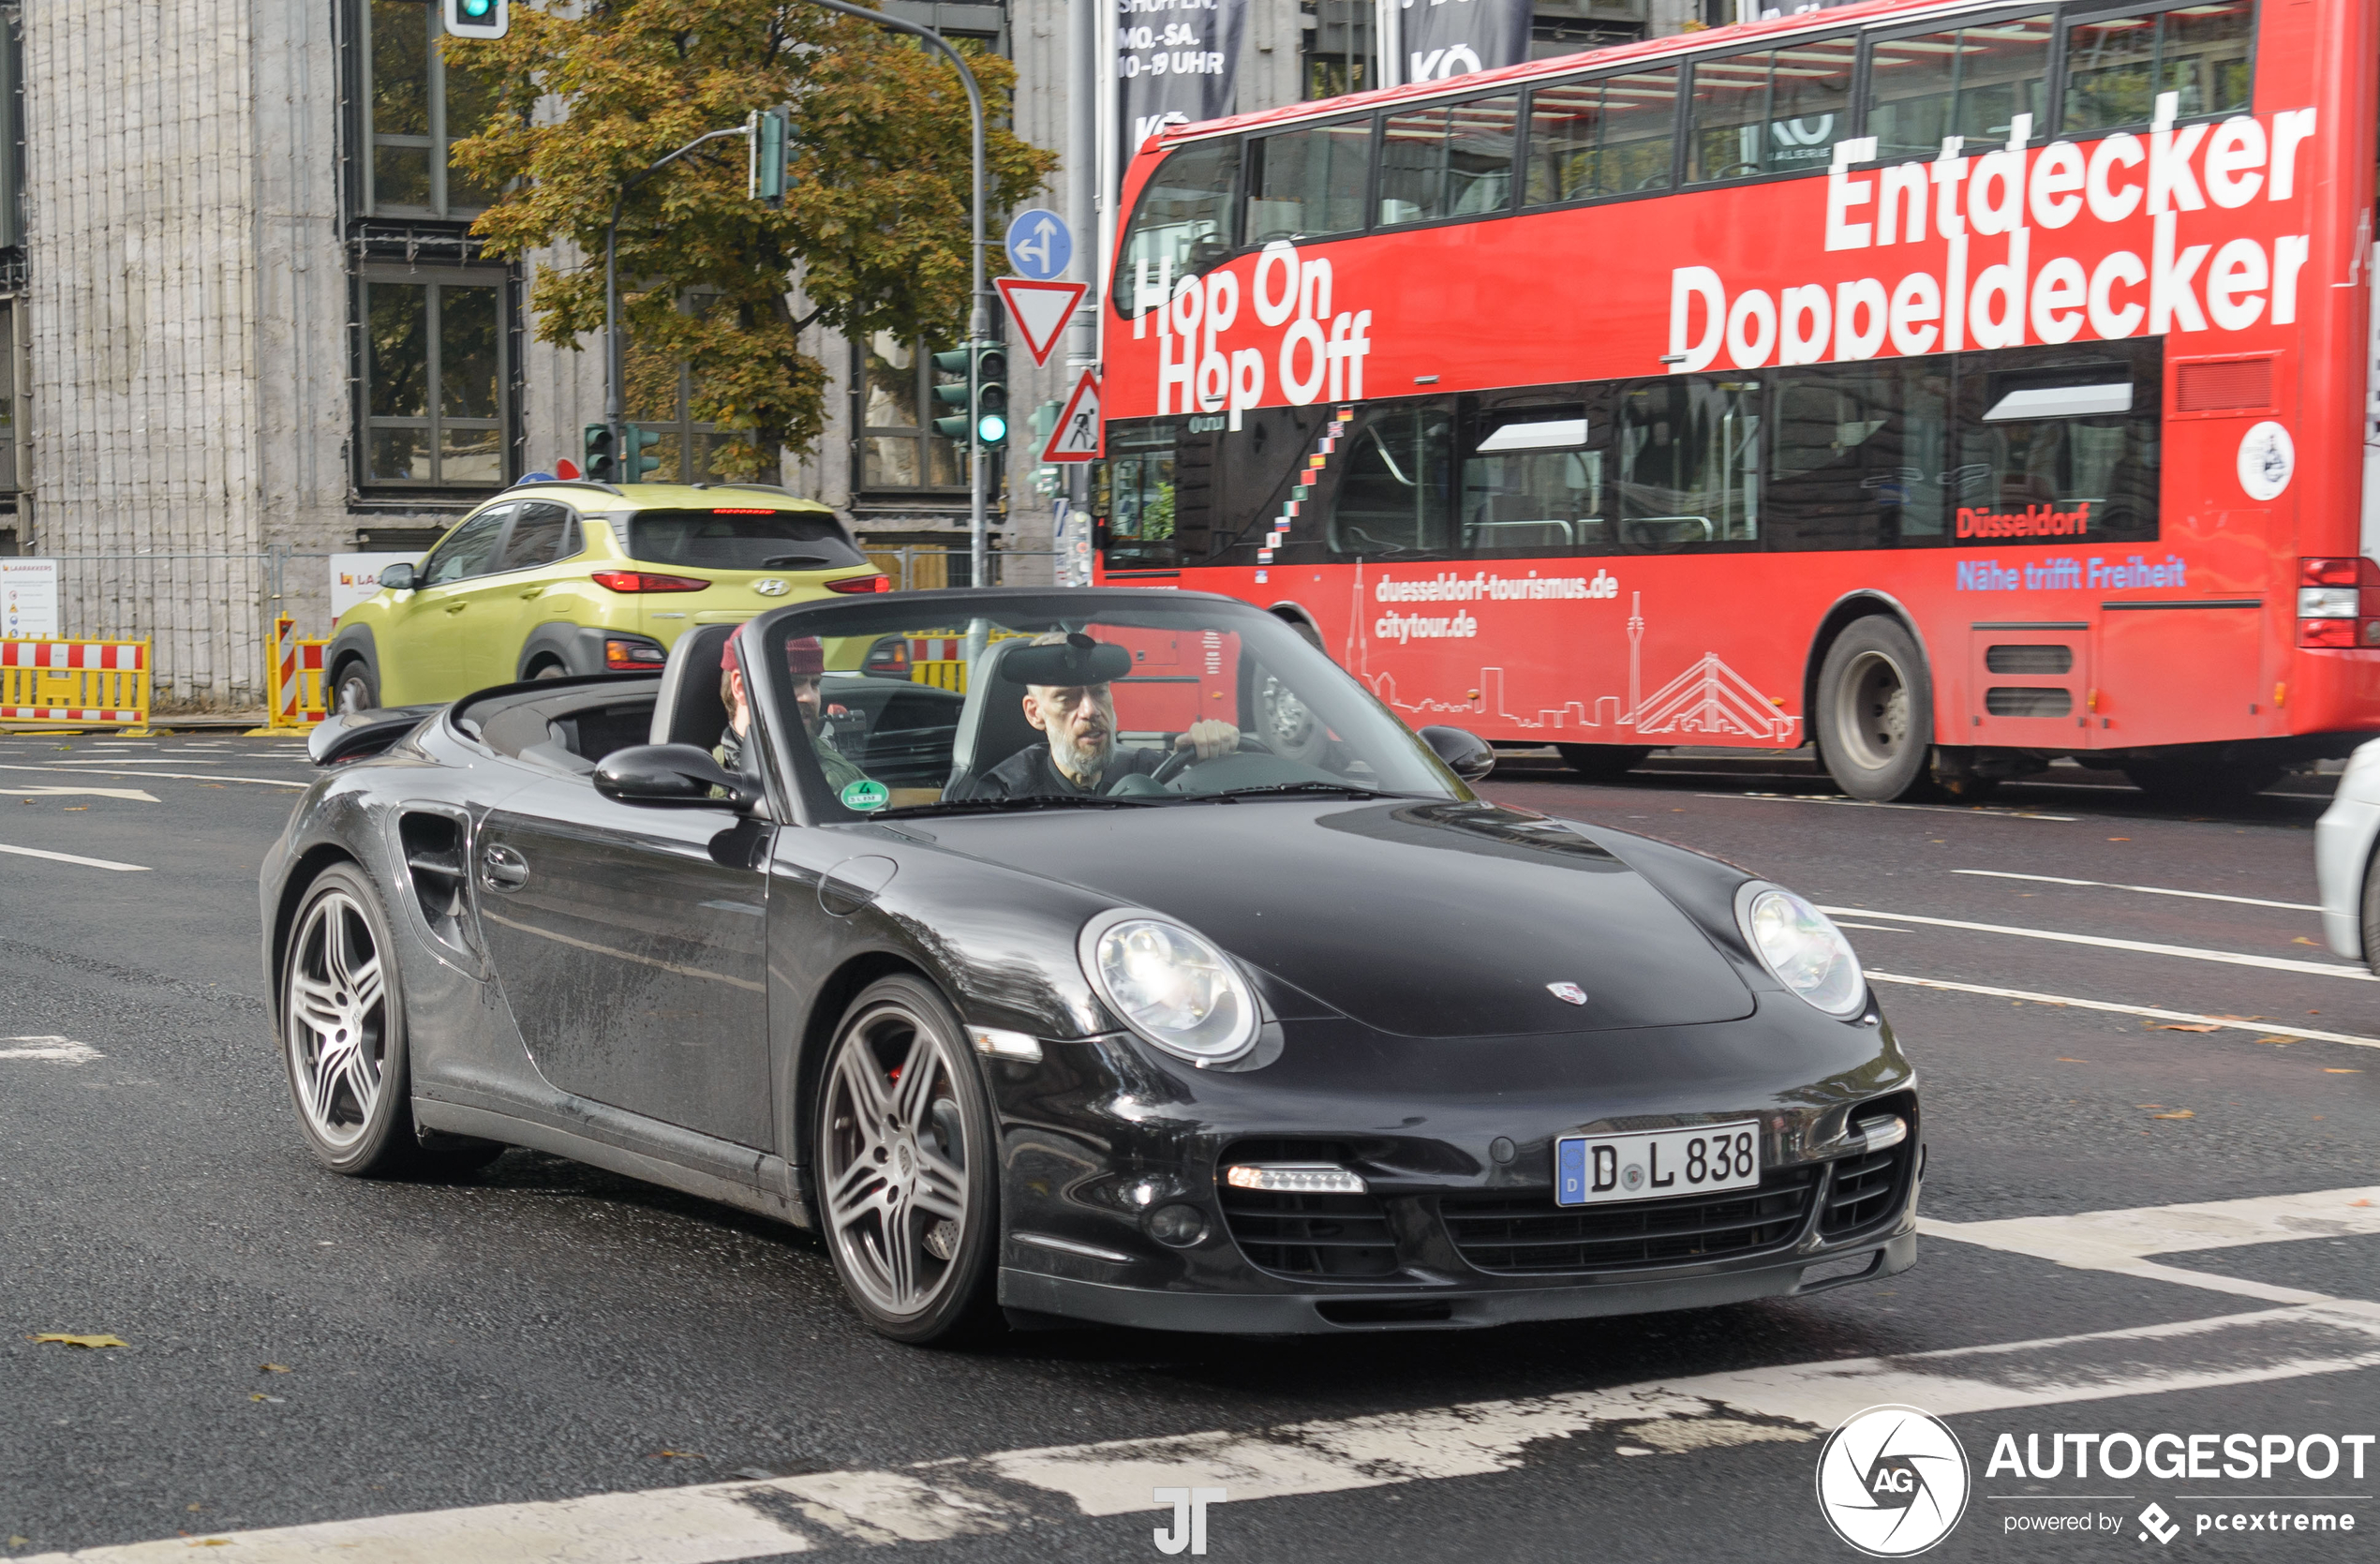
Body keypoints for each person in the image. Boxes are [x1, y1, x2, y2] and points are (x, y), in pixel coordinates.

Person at [954, 631, 1239, 798]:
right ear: (1035, 713)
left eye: (1099, 692)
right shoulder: (1006, 792)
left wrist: (1208, 759)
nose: (1090, 710)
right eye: (1067, 699)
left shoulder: (1151, 770)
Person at [715, 633, 870, 794]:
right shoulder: (705, 785)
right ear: (741, 688)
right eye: (792, 683)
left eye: (815, 683)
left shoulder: (839, 773)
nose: (810, 697)